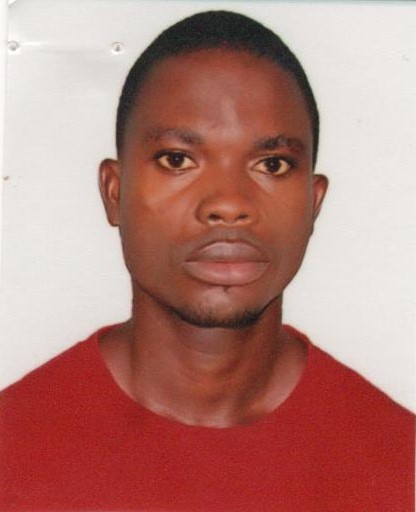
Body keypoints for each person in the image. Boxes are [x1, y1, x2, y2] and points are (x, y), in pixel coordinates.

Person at [0, 10, 413, 512]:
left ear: (314, 202)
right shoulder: (11, 452)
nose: (228, 204)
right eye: (178, 160)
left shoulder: (400, 465)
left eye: (272, 164)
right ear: (114, 191)